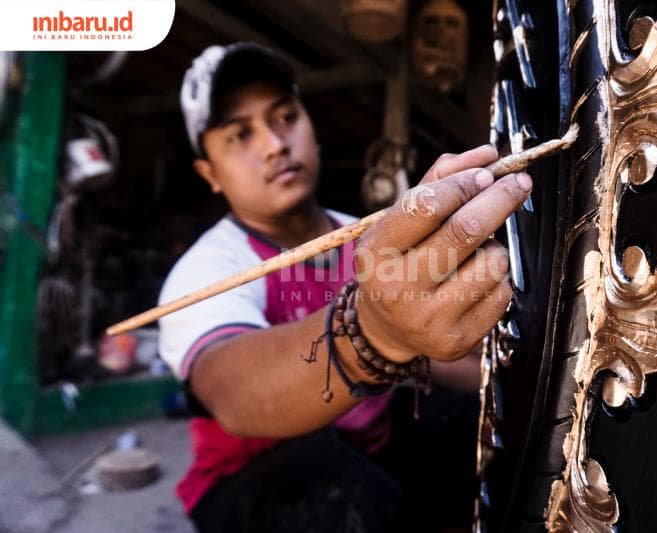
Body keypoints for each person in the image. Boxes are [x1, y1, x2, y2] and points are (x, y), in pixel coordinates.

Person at [158, 42, 532, 533]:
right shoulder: (209, 267)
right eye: (239, 135)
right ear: (209, 173)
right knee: (336, 488)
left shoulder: (367, 235)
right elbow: (231, 392)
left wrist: (502, 372)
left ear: (311, 130)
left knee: (488, 434)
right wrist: (373, 330)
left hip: (368, 443)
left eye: (285, 117)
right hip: (255, 475)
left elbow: (442, 357)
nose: (273, 144)